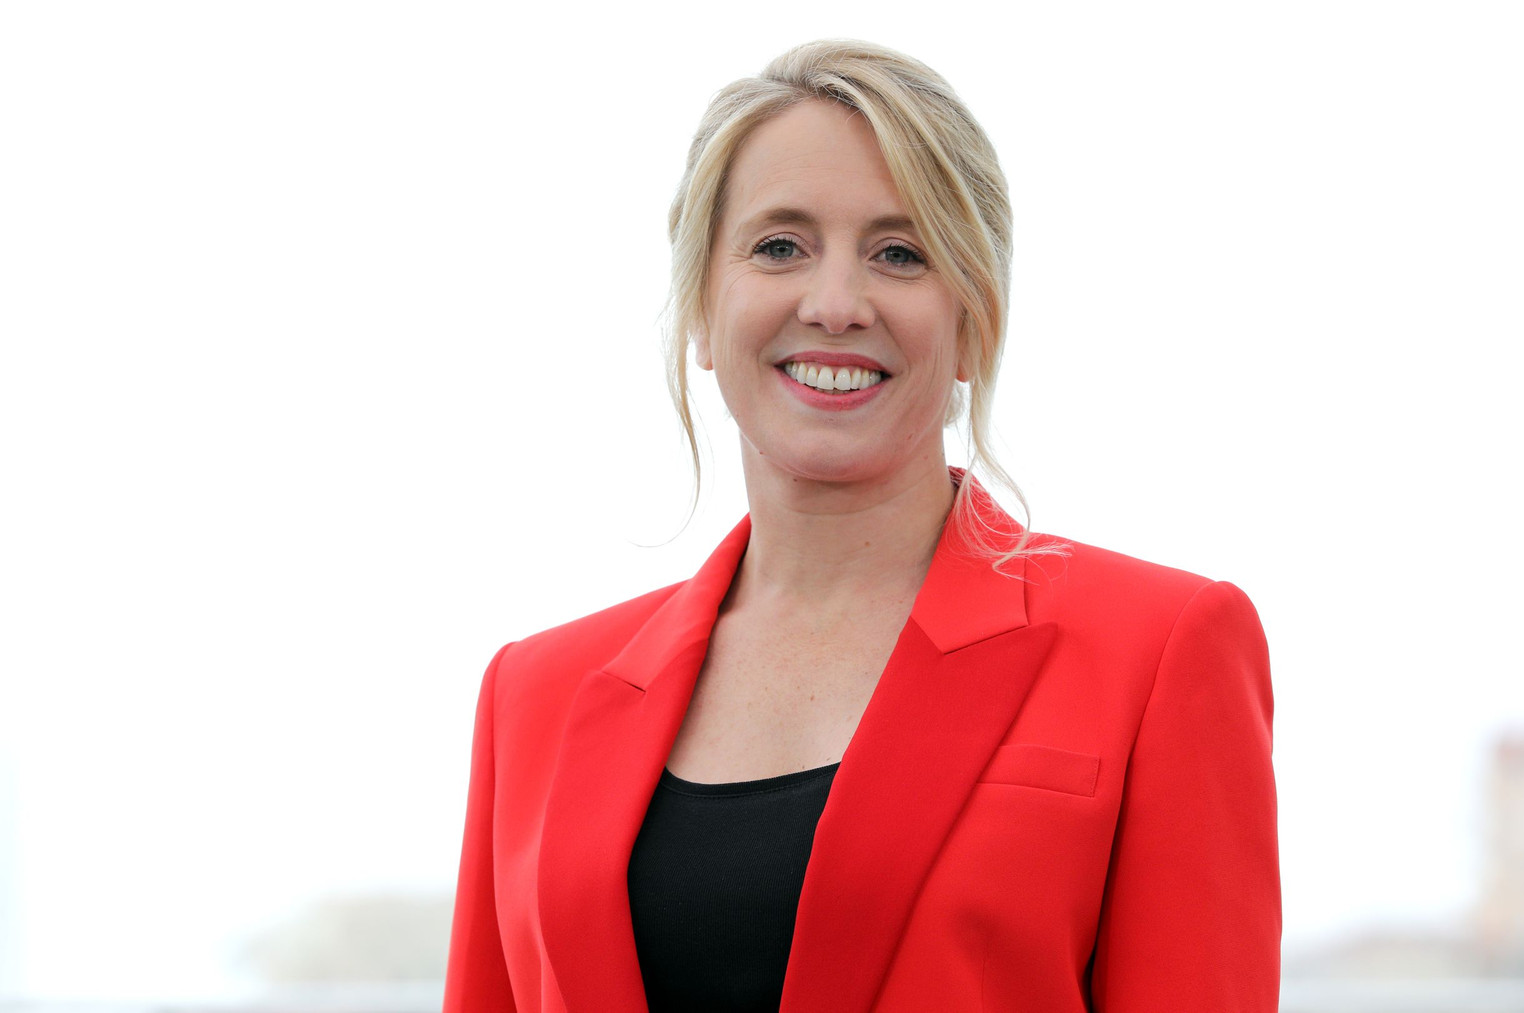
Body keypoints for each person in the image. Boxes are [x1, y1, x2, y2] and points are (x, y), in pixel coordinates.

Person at [443, 39, 1279, 1013]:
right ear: (702, 308)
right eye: (778, 246)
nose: (835, 304)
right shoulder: (532, 695)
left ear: (972, 321)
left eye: (899, 254)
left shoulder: (1163, 648)